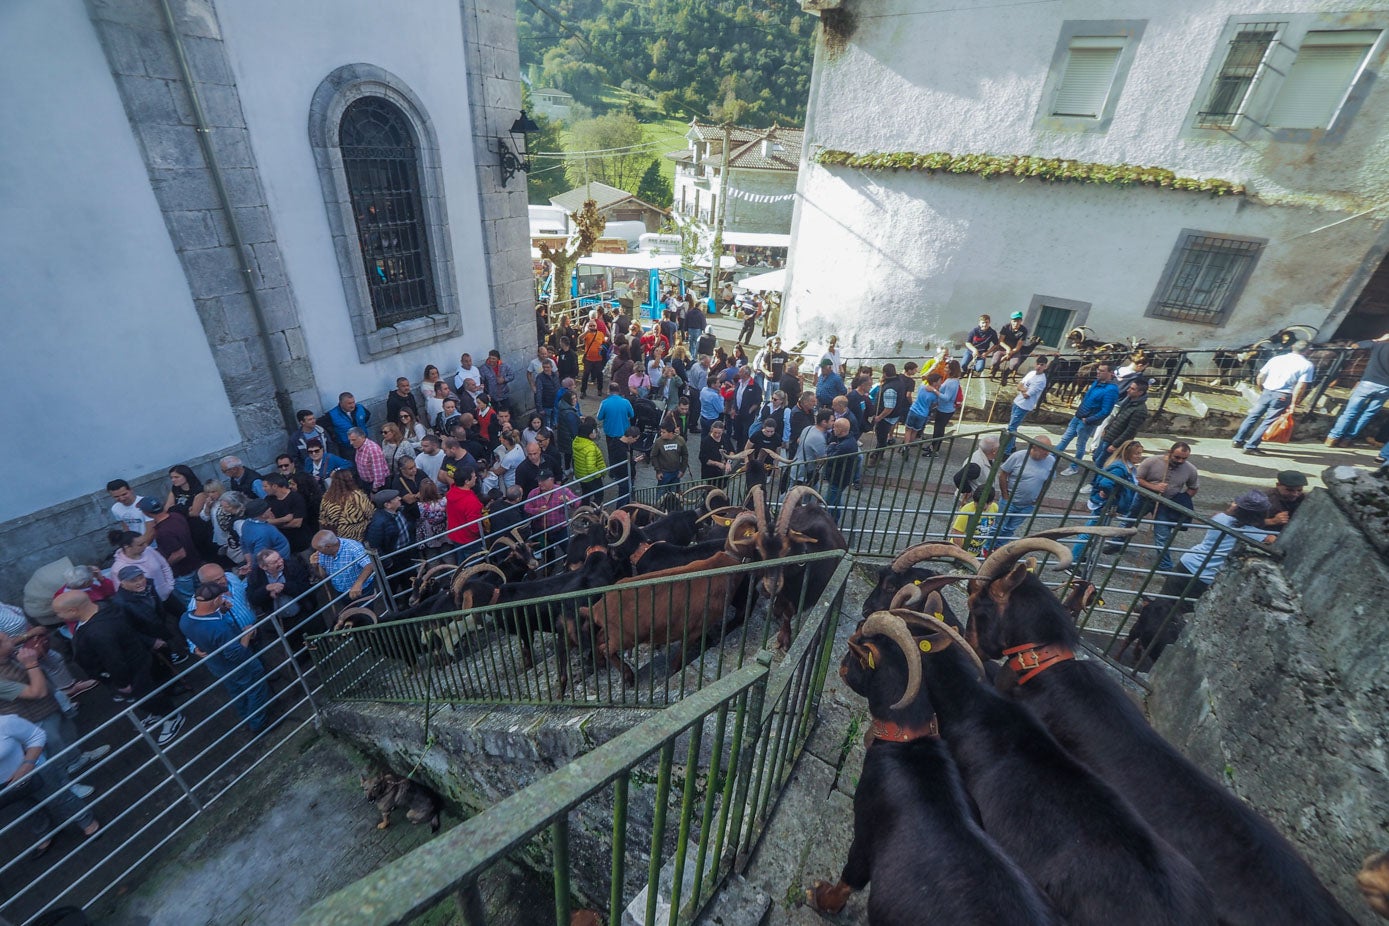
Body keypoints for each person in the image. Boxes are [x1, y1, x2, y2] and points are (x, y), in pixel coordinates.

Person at [54, 591, 186, 746]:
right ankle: (159, 713)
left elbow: (113, 660)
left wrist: (122, 683)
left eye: (59, 613)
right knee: (146, 695)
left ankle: (171, 716)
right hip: (137, 662)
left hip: (130, 672)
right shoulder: (106, 607)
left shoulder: (98, 632)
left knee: (145, 696)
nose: (58, 616)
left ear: (73, 610)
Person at [181, 583, 272, 734]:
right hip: (240, 666)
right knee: (256, 690)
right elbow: (237, 655)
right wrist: (247, 635)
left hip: (217, 667)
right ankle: (258, 724)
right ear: (216, 600)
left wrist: (221, 611)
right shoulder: (218, 628)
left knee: (237, 692)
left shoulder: (185, 619)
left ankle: (245, 719)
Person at [1, 714, 99, 851]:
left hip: (35, 771)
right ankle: (44, 833)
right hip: (5, 787)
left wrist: (27, 766)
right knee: (26, 812)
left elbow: (37, 735)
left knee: (60, 798)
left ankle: (87, 822)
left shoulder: (5, 722)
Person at [1159, 492, 1275, 608]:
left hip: (1188, 563)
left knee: (1162, 604)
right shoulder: (1255, 534)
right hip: (1206, 576)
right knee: (1180, 610)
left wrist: (1234, 509)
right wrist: (1273, 522)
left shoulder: (1220, 518)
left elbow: (1229, 516)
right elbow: (1273, 541)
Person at [1232, 340, 1315, 455]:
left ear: (1292, 347)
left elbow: (1260, 376)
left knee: (1252, 416)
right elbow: (1300, 386)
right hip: (1283, 395)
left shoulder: (1276, 359)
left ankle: (1237, 440)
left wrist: (1261, 388)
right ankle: (1250, 446)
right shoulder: (1307, 365)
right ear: (1308, 351)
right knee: (1268, 421)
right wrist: (1293, 403)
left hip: (1267, 391)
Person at [1130, 442, 1200, 569]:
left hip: (1166, 503)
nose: (1180, 461)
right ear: (1169, 453)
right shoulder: (1151, 461)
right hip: (1144, 498)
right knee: (1129, 521)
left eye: (1184, 458)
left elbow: (1193, 487)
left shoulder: (1190, 469)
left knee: (1162, 535)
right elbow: (1138, 479)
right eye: (1177, 457)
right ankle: (1116, 543)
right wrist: (1154, 487)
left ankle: (1165, 565)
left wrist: (1182, 498)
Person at [1071, 440, 1144, 562]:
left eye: (1140, 453)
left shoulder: (1125, 467)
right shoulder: (1120, 468)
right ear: (1127, 454)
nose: (1139, 456)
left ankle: (1078, 555)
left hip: (1107, 505)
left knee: (1092, 531)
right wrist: (1112, 498)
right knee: (1089, 532)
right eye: (1136, 453)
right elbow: (1106, 483)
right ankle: (1073, 560)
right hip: (1105, 505)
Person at [1326, 333, 1389, 447]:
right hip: (1386, 387)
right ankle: (1347, 440)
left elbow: (1356, 345)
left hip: (1368, 383)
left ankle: (1332, 438)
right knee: (1367, 414)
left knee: (1350, 412)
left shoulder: (1379, 345)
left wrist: (1378, 339)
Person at [1057, 363, 1119, 474]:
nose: (1098, 372)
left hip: (1087, 421)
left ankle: (1074, 466)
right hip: (1079, 416)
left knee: (1080, 444)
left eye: (1102, 371)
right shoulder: (1097, 382)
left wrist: (1089, 419)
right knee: (1065, 438)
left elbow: (1106, 411)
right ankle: (1052, 457)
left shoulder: (1111, 390)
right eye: (1098, 370)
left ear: (1110, 373)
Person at [993, 436, 1056, 545]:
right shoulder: (1018, 456)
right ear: (1034, 447)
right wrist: (1005, 496)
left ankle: (999, 549)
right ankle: (988, 547)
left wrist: (1037, 500)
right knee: (998, 527)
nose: (1047, 453)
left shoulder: (1051, 460)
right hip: (1010, 501)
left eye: (1049, 450)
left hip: (1028, 504)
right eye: (1044, 449)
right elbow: (1003, 474)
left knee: (1010, 529)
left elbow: (1048, 481)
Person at [140, 497, 203, 604]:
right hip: (195, 564)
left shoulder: (163, 532)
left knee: (191, 602)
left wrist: (164, 566)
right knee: (203, 595)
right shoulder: (176, 516)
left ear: (146, 513)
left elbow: (179, 554)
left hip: (182, 573)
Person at [1092, 378, 1151, 464]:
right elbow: (1117, 418)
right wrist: (1106, 429)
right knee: (1096, 457)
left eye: (1132, 389)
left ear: (1140, 393)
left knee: (1101, 463)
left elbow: (1130, 430)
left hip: (1115, 441)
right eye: (1130, 387)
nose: (1128, 390)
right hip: (1109, 436)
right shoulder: (1128, 401)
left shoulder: (1140, 410)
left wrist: (1115, 445)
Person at [247, 549, 312, 625]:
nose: (281, 562)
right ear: (264, 567)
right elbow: (253, 599)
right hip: (280, 622)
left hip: (304, 613)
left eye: (280, 558)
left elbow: (305, 587)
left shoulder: (293, 566)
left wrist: (283, 587)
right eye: (275, 562)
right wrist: (266, 589)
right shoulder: (255, 576)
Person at [110, 530, 175, 603]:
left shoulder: (149, 550)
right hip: (145, 604)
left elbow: (164, 566)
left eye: (144, 542)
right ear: (127, 547)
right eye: (140, 545)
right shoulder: (117, 568)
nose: (145, 546)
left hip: (167, 594)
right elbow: (122, 591)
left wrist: (170, 586)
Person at [310, 531, 376, 601]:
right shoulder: (322, 553)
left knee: (364, 610)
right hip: (341, 591)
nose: (317, 552)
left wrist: (358, 584)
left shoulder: (353, 547)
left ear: (328, 547)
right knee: (349, 611)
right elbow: (323, 575)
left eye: (318, 549)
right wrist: (315, 566)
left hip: (361, 590)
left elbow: (369, 565)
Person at [524, 469, 576, 555]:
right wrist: (538, 511)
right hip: (542, 531)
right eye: (539, 480)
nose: (540, 483)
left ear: (551, 480)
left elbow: (577, 502)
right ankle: (550, 567)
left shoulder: (562, 490)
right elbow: (526, 508)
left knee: (568, 551)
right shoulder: (533, 493)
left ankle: (567, 565)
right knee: (547, 553)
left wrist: (569, 500)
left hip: (560, 529)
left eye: (543, 481)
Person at [1004, 357, 1049, 454]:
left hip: (1024, 406)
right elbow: (1019, 385)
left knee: (1011, 428)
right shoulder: (1031, 374)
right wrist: (1024, 389)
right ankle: (1011, 447)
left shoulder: (1041, 380)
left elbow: (1026, 395)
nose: (1039, 366)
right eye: (1038, 364)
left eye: (1042, 365)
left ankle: (1006, 452)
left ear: (1045, 366)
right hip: (1017, 402)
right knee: (1013, 427)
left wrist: (1023, 389)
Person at [316, 469, 374, 543]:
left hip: (336, 533)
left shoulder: (327, 496)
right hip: (356, 533)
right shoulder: (357, 496)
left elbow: (323, 516)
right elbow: (370, 513)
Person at [822, 417, 860, 521]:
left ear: (841, 430)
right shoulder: (848, 440)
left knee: (827, 503)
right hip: (840, 478)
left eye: (835, 427)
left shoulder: (844, 446)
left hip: (838, 478)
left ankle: (828, 525)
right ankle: (834, 522)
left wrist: (830, 448)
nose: (833, 429)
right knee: (836, 502)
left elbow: (830, 459)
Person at [237, 499, 291, 570]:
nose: (271, 510)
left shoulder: (246, 523)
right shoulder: (264, 532)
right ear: (263, 515)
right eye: (269, 510)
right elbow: (260, 557)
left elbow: (243, 543)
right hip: (278, 565)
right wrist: (253, 568)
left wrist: (249, 562)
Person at [949, 485, 999, 554]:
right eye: (975, 501)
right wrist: (961, 553)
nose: (976, 505)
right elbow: (957, 533)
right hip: (961, 549)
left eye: (981, 504)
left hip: (977, 550)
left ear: (990, 502)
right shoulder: (967, 510)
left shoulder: (995, 508)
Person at [598, 383, 636, 467]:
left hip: (610, 433)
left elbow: (599, 417)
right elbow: (632, 415)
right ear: (619, 391)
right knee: (624, 452)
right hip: (623, 432)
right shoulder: (626, 402)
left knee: (611, 453)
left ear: (609, 391)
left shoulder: (604, 403)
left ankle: (613, 470)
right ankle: (625, 469)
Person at [366, 489, 410, 559]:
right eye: (395, 498)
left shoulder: (399, 510)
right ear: (387, 505)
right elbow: (374, 546)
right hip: (395, 557)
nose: (400, 498)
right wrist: (388, 562)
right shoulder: (378, 523)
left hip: (406, 550)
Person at [324, 392, 370, 457]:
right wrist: (335, 436)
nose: (352, 405)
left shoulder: (360, 408)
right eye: (349, 403)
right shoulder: (332, 415)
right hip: (348, 448)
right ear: (341, 403)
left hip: (363, 443)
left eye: (353, 402)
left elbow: (367, 417)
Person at [904, 370, 942, 447]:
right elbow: (933, 404)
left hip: (913, 410)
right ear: (935, 383)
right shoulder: (935, 395)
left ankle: (905, 446)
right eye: (939, 381)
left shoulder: (921, 387)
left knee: (908, 430)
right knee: (914, 431)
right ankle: (910, 444)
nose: (940, 382)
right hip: (923, 414)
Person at [572, 418, 606, 500]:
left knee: (586, 494)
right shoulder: (590, 447)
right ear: (589, 434)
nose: (595, 432)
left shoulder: (576, 441)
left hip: (581, 475)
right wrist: (599, 475)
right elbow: (591, 467)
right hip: (591, 477)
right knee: (599, 495)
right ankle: (596, 510)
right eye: (593, 431)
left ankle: (584, 509)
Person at [650, 418, 689, 486]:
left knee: (674, 492)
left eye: (663, 432)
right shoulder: (658, 442)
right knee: (661, 492)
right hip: (664, 472)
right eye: (661, 432)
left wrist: (682, 470)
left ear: (671, 433)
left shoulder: (680, 440)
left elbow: (685, 455)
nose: (661, 434)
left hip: (676, 471)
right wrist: (658, 471)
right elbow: (653, 456)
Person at [579, 322, 607, 397]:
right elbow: (580, 338)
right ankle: (583, 391)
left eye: (594, 325)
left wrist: (602, 347)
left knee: (599, 375)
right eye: (590, 325)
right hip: (588, 359)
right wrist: (587, 331)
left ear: (596, 326)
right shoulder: (587, 334)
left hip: (598, 359)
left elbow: (604, 343)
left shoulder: (600, 334)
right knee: (585, 375)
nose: (592, 327)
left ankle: (600, 390)